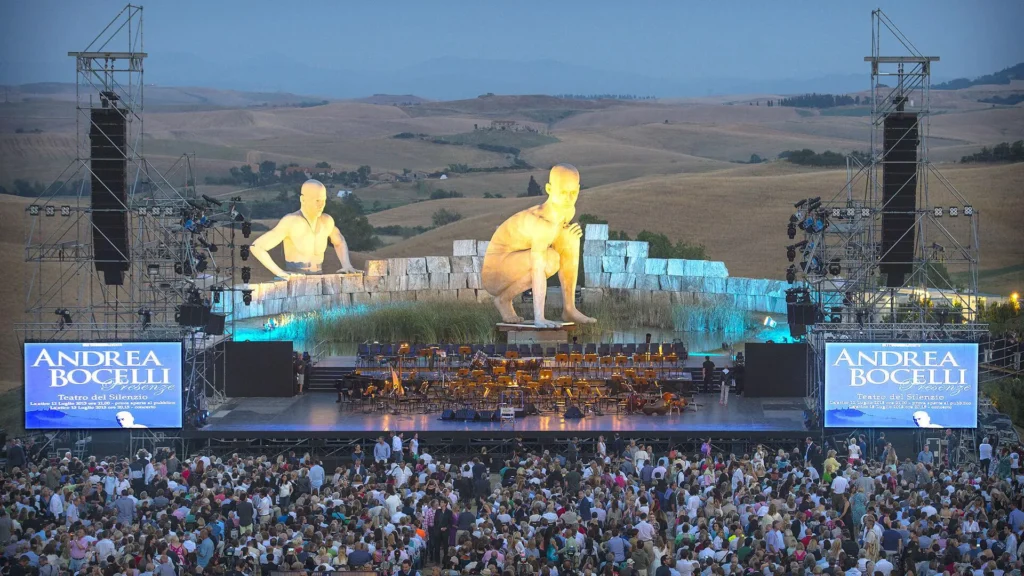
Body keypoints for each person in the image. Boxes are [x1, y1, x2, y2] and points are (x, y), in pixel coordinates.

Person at [481, 163, 596, 327]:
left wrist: (566, 238)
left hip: (519, 257)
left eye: (573, 193)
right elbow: (538, 265)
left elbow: (558, 241)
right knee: (550, 259)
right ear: (549, 189)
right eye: (563, 192)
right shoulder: (541, 222)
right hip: (497, 271)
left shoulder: (567, 210)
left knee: (571, 238)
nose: (569, 198)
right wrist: (539, 318)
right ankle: (504, 299)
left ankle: (569, 308)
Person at [250, 179, 362, 278]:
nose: (321, 205)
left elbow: (339, 241)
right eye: (317, 200)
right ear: (303, 200)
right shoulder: (291, 221)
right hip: (295, 281)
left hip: (319, 278)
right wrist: (280, 273)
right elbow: (257, 247)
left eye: (324, 200)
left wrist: (346, 265)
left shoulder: (327, 221)